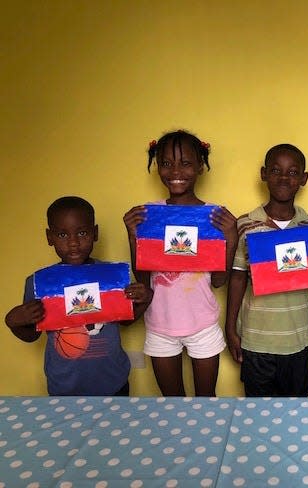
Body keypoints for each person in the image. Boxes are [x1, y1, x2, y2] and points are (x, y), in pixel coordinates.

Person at [123, 130, 238, 396]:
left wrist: (230, 236)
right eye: (166, 163)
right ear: (157, 166)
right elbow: (142, 280)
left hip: (203, 324)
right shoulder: (148, 214)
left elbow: (219, 281)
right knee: (172, 405)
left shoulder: (214, 217)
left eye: (185, 163)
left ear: (200, 165)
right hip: (160, 325)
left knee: (206, 402)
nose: (176, 170)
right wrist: (132, 235)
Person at [225, 143, 308, 397]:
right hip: (256, 340)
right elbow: (237, 278)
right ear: (264, 174)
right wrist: (230, 328)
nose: (284, 177)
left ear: (303, 178)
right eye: (276, 170)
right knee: (258, 413)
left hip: (298, 340)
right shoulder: (246, 224)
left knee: (297, 412)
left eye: (292, 172)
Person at [5, 196, 152, 396]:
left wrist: (144, 299)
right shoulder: (39, 283)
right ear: (50, 237)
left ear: (95, 233)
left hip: (114, 383)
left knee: (118, 428)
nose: (73, 243)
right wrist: (15, 321)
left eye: (82, 233)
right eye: (62, 234)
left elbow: (125, 321)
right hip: (64, 387)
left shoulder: (110, 277)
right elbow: (32, 335)